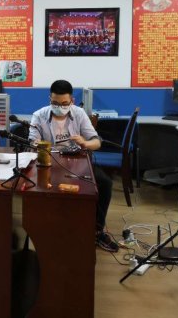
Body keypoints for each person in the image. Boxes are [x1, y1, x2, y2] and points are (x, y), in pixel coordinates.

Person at [28, 80, 118, 252]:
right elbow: (32, 142)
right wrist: (38, 144)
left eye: (64, 104)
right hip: (50, 162)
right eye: (55, 103)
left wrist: (85, 143)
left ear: (72, 101)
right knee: (42, 186)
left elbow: (97, 142)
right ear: (50, 99)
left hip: (77, 161)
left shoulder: (79, 113)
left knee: (104, 183)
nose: (59, 107)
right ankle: (47, 231)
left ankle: (97, 231)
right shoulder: (39, 115)